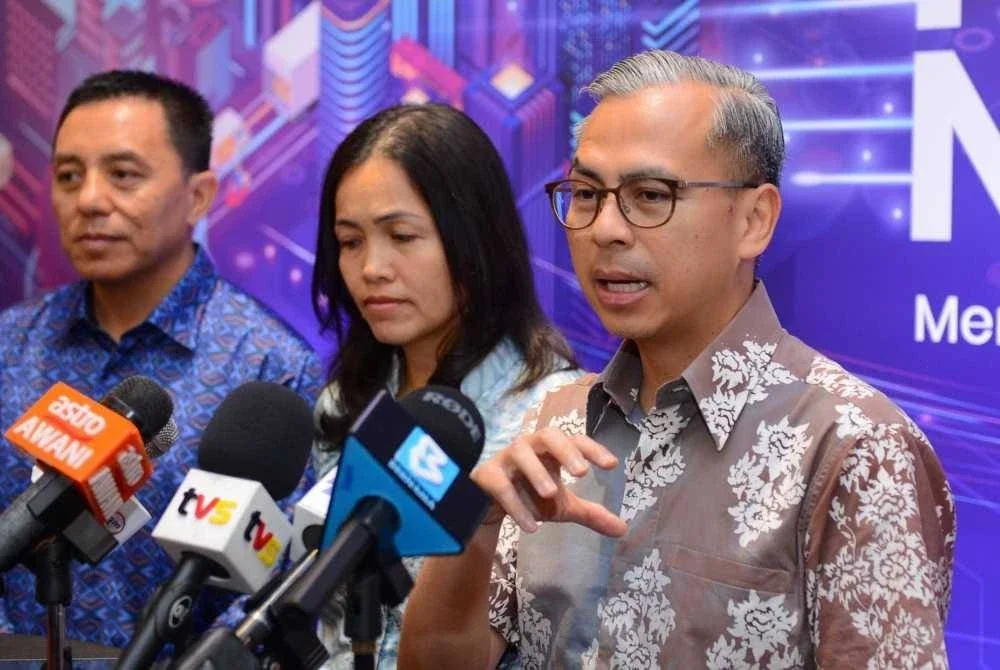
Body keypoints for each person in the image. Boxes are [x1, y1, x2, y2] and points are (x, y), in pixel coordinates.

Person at [400, 50, 955, 668]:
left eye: (650, 195)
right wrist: (475, 529)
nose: (604, 228)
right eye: (586, 193)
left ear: (754, 219)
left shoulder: (852, 446)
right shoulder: (556, 420)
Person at [0, 70, 323, 649]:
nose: (90, 200)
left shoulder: (270, 369)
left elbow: (277, 582)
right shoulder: (11, 345)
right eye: (69, 176)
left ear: (198, 196)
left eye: (123, 175)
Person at [310, 103, 584, 668]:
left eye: (402, 236)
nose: (372, 269)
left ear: (476, 241)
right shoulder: (343, 404)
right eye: (350, 241)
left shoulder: (553, 414)